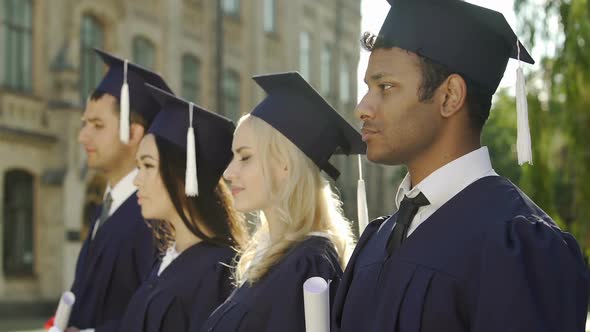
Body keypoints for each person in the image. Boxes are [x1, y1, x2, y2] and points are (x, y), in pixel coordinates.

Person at [331, 1, 589, 331]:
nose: (362, 108)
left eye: (385, 87)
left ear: (450, 96)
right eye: (368, 87)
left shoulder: (520, 246)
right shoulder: (376, 239)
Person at [200, 72, 363, 332]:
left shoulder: (309, 263)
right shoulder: (272, 254)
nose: (229, 173)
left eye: (245, 157)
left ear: (284, 164)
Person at [116, 85, 246, 332]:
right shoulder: (167, 258)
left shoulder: (220, 272)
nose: (136, 180)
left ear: (183, 176)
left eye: (147, 165)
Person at [68, 49, 173, 332]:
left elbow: (156, 317)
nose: (82, 136)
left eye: (97, 125)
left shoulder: (154, 217)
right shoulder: (108, 206)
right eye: (84, 124)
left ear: (134, 132)